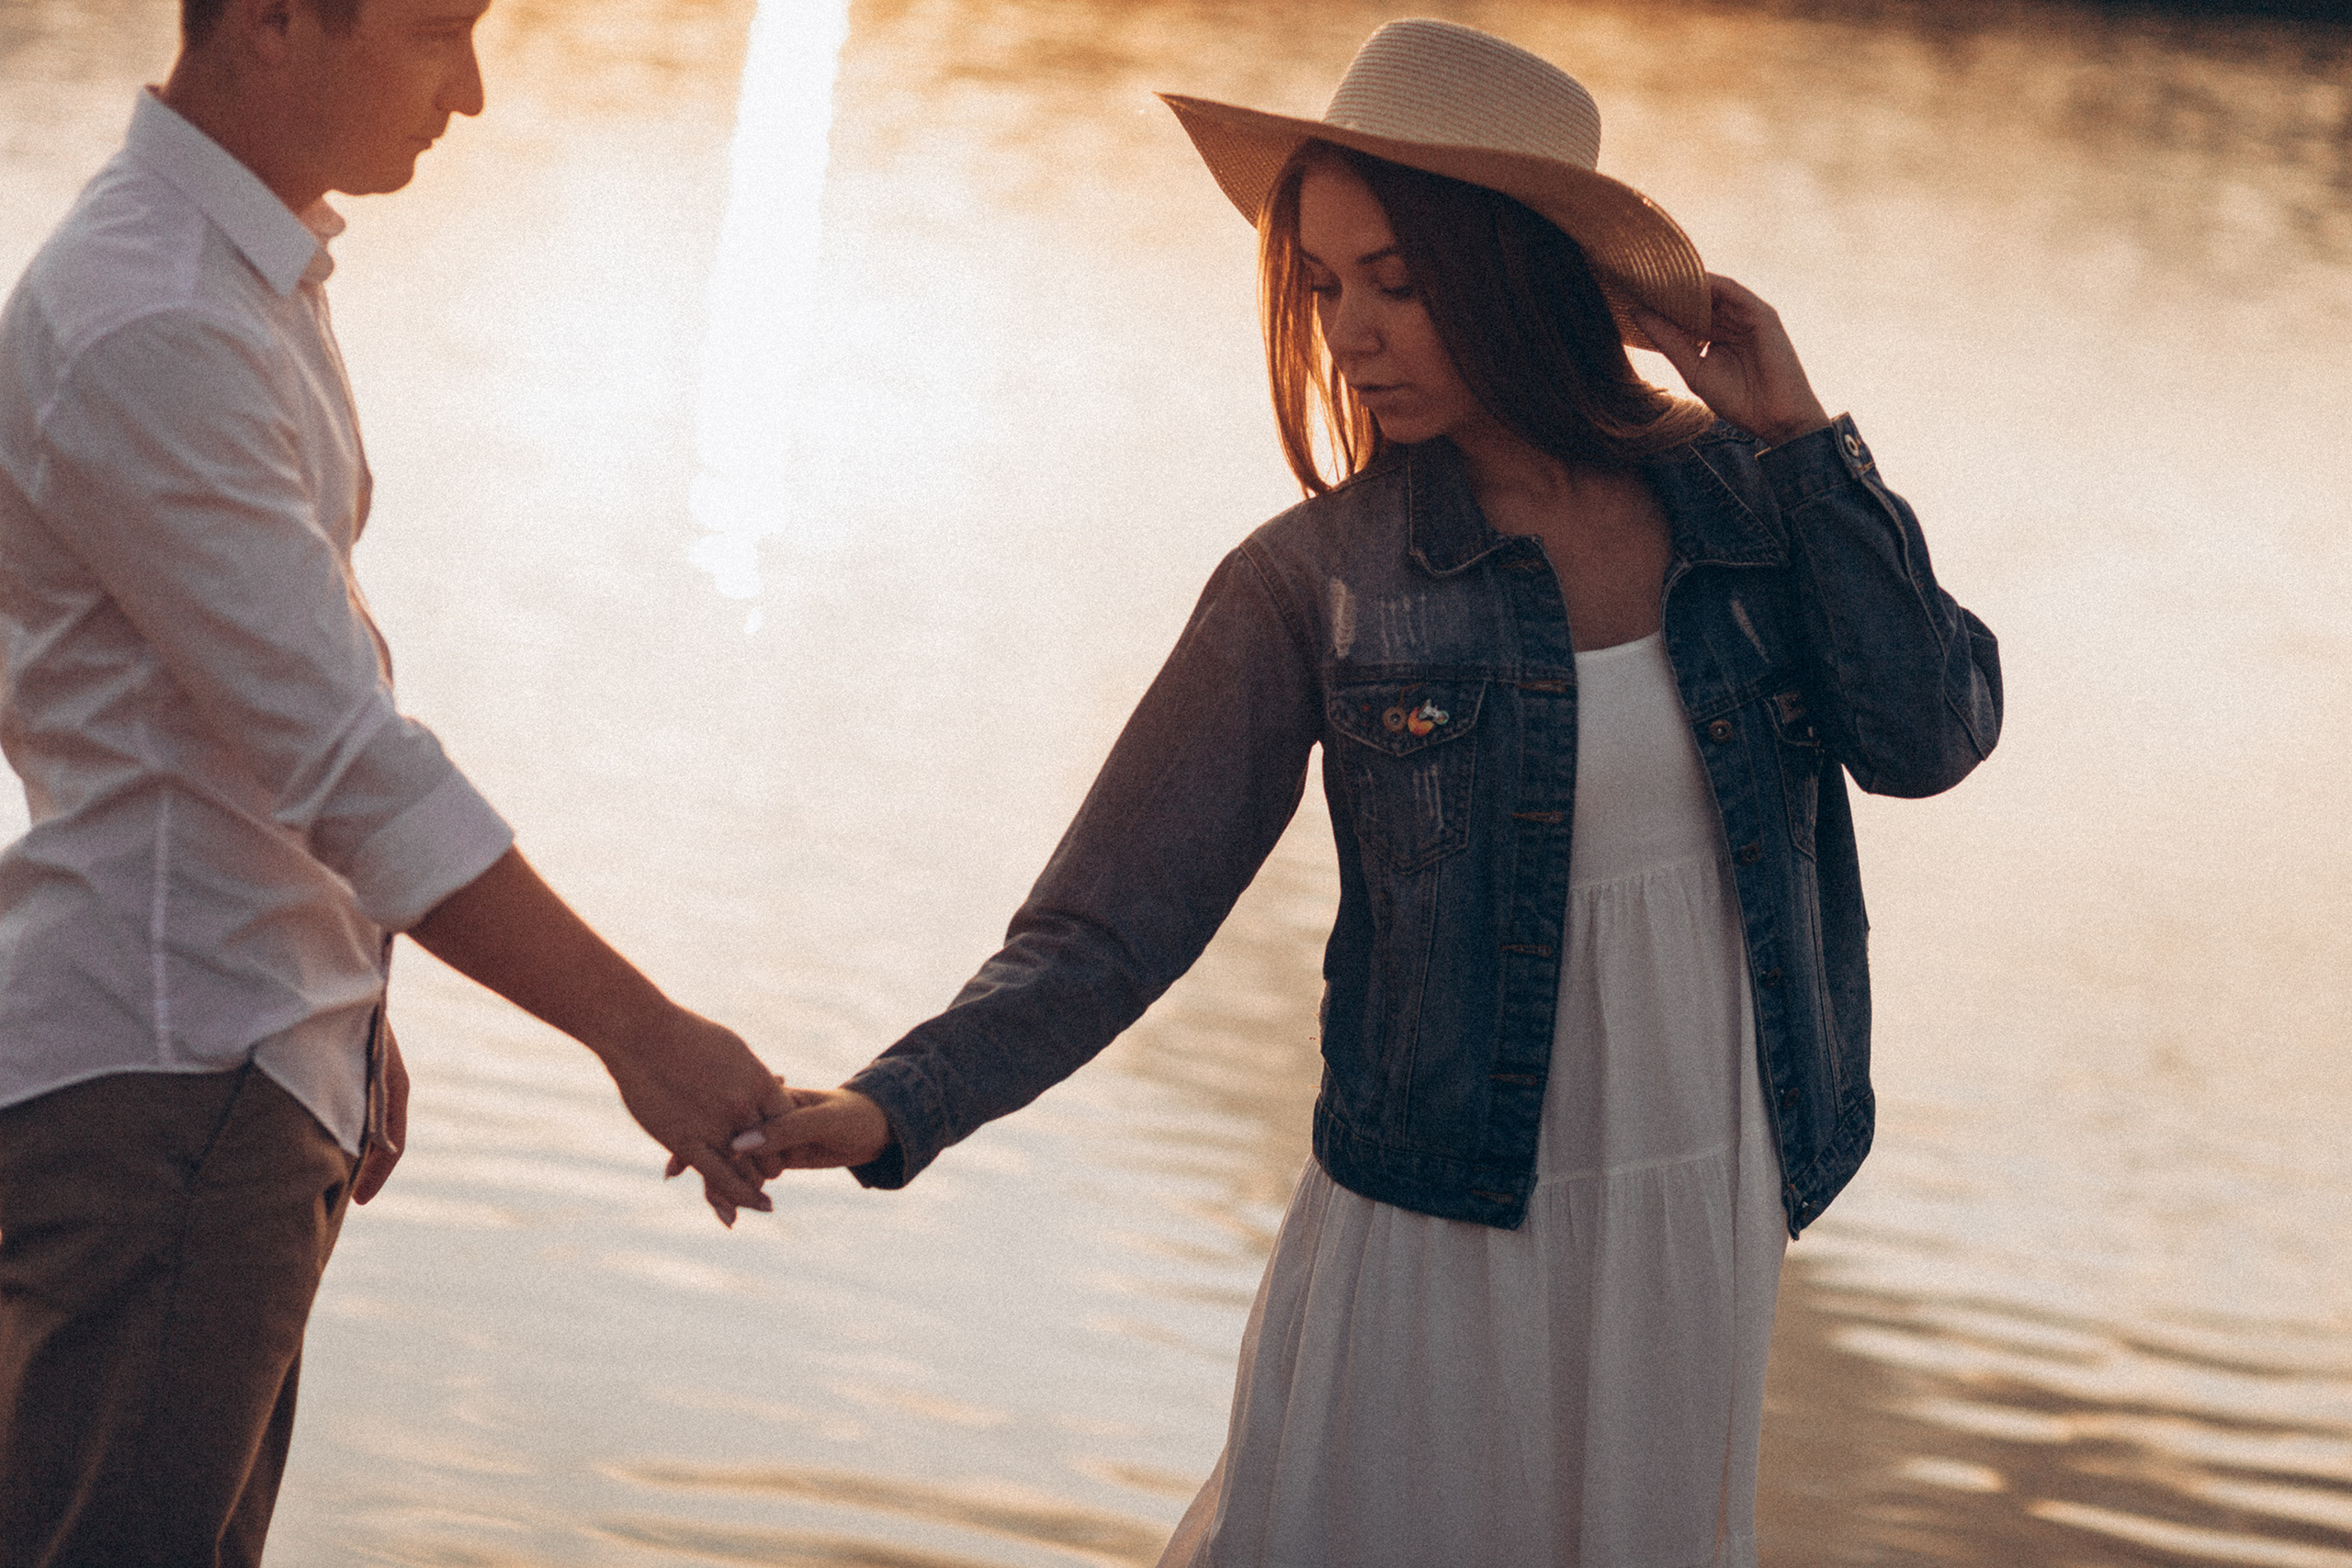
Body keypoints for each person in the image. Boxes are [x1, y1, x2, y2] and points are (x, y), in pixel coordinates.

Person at [744, 17, 2001, 1566]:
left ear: (1516, 273)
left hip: (1700, 1213)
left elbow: (1929, 733)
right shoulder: (1315, 586)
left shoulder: (1744, 502)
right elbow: (1114, 925)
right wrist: (892, 1105)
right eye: (1327, 286)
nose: (1352, 332)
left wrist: (1807, 442)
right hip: (1438, 1234)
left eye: (1398, 283)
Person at [0, 2, 787, 1563]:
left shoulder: (228, 276)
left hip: (227, 1069)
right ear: (280, 19)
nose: (474, 93)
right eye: (438, 33)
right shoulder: (155, 315)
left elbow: (237, 728)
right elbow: (343, 758)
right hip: (174, 1090)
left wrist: (348, 1007)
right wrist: (637, 1031)